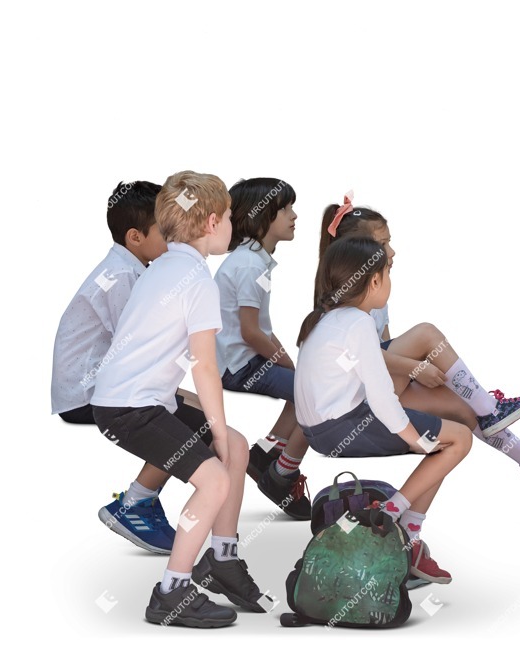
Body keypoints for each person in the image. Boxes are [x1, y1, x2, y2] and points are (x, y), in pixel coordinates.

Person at [91, 171, 266, 626]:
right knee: (215, 480)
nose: (232, 224)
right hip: (132, 407)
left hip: (135, 397)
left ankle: (222, 560)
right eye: (229, 216)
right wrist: (218, 430)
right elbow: (205, 366)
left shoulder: (166, 266)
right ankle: (172, 590)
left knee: (239, 450)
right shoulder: (195, 279)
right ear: (211, 222)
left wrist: (224, 434)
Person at [318, 192, 520, 485]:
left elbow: (385, 345)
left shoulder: (376, 296)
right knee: (426, 334)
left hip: (383, 385)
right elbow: (360, 357)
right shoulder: (340, 303)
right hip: (359, 399)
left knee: (462, 409)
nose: (392, 252)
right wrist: (414, 367)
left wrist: (415, 373)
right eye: (383, 245)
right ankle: (492, 409)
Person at [295, 236, 473, 583]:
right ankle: (397, 521)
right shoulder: (359, 323)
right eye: (387, 271)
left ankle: (406, 529)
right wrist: (415, 439)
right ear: (374, 280)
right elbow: (380, 398)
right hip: (343, 426)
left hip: (318, 429)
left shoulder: (326, 319)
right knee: (459, 439)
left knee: (444, 435)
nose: (390, 279)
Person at [51, 180, 180, 553]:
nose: (174, 234)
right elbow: (138, 345)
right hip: (84, 394)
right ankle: (134, 505)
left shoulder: (132, 267)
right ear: (135, 236)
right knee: (185, 421)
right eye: (165, 228)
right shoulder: (121, 276)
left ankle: (142, 499)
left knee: (194, 414)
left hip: (98, 383)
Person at [214, 178, 311, 520]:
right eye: (286, 209)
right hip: (240, 365)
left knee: (307, 385)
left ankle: (265, 453)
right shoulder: (250, 266)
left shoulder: (255, 261)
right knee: (318, 394)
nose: (294, 215)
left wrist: (294, 368)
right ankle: (281, 473)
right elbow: (252, 333)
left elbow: (262, 330)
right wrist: (293, 369)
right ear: (261, 216)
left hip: (246, 358)